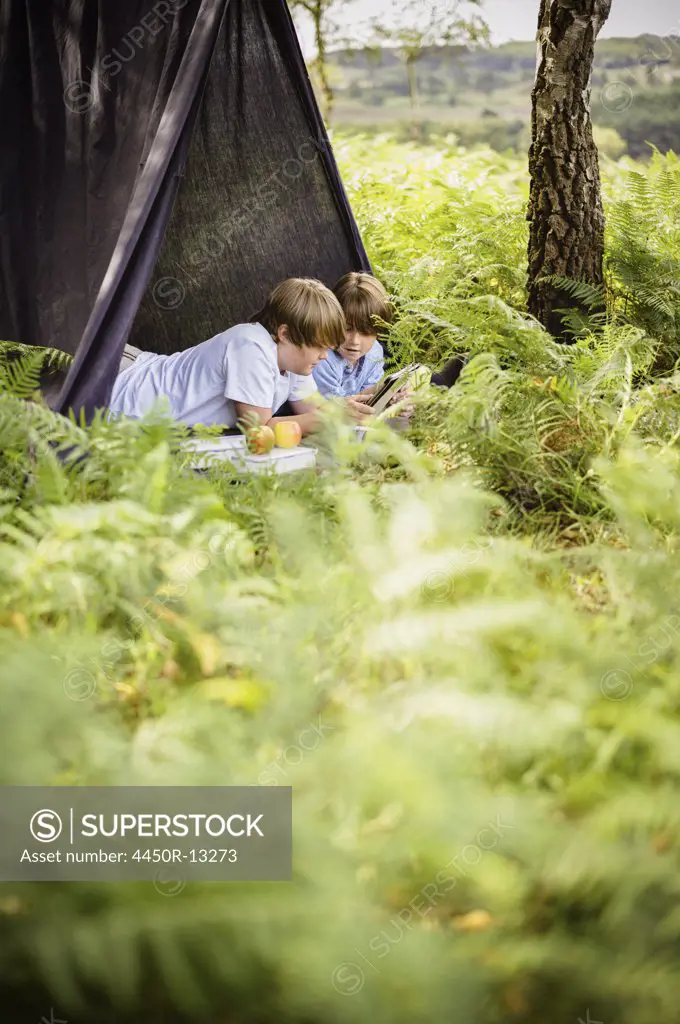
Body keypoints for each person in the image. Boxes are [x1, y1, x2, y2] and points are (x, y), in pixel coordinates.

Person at [109, 278, 346, 437]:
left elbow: (313, 408)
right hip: (123, 386)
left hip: (139, 366)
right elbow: (258, 430)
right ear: (285, 334)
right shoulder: (250, 346)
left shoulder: (294, 361)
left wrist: (348, 410)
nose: (325, 356)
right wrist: (323, 420)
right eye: (318, 346)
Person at [313, 272, 467, 413]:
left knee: (416, 376)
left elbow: (369, 402)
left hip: (362, 418)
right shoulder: (322, 359)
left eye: (366, 332)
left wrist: (388, 398)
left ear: (378, 330)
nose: (354, 341)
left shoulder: (374, 352)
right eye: (347, 329)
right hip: (335, 425)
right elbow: (337, 413)